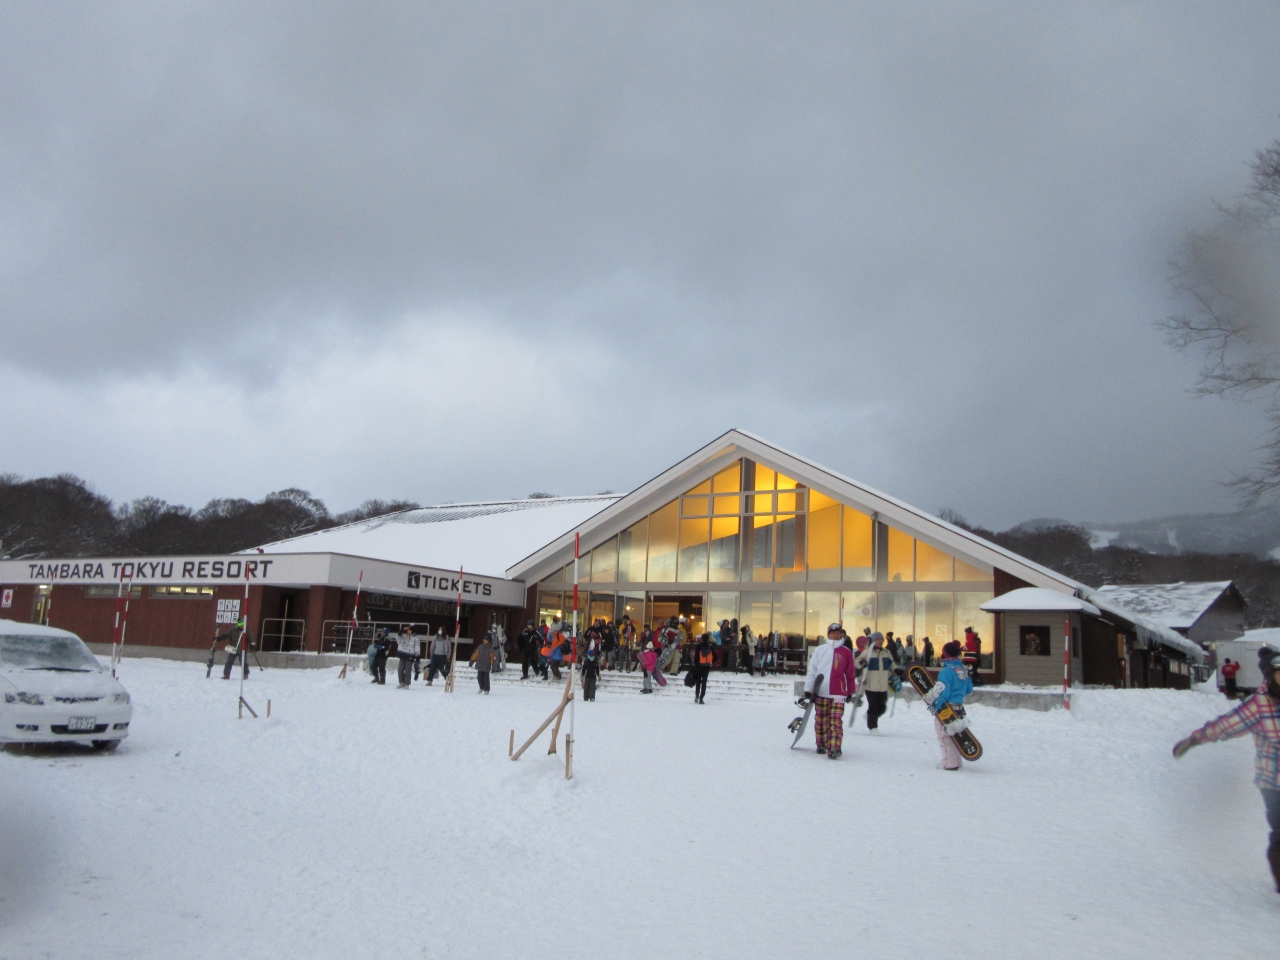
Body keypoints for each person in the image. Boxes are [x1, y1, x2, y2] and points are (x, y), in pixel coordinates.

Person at [1173, 647, 1280, 893]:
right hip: (1274, 782)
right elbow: (1226, 725)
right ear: (1270, 677)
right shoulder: (1260, 705)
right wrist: (1195, 739)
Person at [803, 623, 860, 759]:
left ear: (841, 634)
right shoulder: (820, 650)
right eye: (832, 632)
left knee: (835, 721)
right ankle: (821, 744)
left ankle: (834, 747)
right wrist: (808, 689)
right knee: (821, 720)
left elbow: (850, 674)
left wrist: (851, 691)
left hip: (838, 692)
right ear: (828, 634)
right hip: (821, 690)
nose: (835, 634)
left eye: (837, 632)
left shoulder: (846, 652)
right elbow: (812, 671)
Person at [924, 641, 973, 771]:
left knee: (944, 735)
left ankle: (949, 763)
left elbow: (944, 693)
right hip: (959, 706)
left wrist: (935, 705)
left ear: (945, 653)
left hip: (946, 708)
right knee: (956, 734)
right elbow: (969, 689)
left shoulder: (946, 672)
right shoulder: (963, 669)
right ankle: (957, 761)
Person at [856, 633, 895, 733]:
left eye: (882, 639)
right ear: (873, 641)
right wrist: (862, 663)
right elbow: (856, 661)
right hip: (871, 685)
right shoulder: (867, 652)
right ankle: (873, 727)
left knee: (882, 707)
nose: (880, 641)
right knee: (873, 706)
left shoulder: (886, 652)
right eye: (878, 639)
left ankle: (870, 717)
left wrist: (897, 670)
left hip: (883, 685)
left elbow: (892, 663)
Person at [692, 634, 714, 704]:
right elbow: (716, 656)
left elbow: (695, 657)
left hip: (699, 666)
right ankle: (702, 698)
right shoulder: (710, 646)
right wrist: (711, 661)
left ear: (702, 638)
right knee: (704, 682)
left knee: (698, 681)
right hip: (707, 666)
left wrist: (696, 664)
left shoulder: (698, 646)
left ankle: (697, 696)